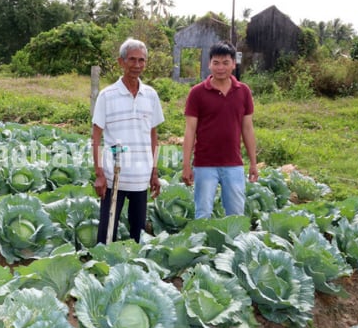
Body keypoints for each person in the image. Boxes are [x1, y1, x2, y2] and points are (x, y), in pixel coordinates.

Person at [92, 38, 164, 243]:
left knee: (138, 233)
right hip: (114, 176)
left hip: (141, 177)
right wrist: (99, 173)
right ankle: (101, 269)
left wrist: (154, 171)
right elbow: (96, 137)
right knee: (107, 233)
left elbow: (153, 135)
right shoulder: (107, 96)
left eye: (142, 60)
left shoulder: (151, 95)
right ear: (121, 62)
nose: (137, 65)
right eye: (132, 60)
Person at [181, 41, 258, 218]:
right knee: (203, 214)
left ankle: (231, 246)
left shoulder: (243, 91)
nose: (220, 67)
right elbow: (190, 130)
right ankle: (203, 245)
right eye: (216, 63)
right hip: (204, 164)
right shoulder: (197, 93)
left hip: (234, 164)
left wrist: (253, 163)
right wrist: (186, 165)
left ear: (233, 64)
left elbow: (247, 129)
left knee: (236, 215)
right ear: (209, 64)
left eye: (225, 63)